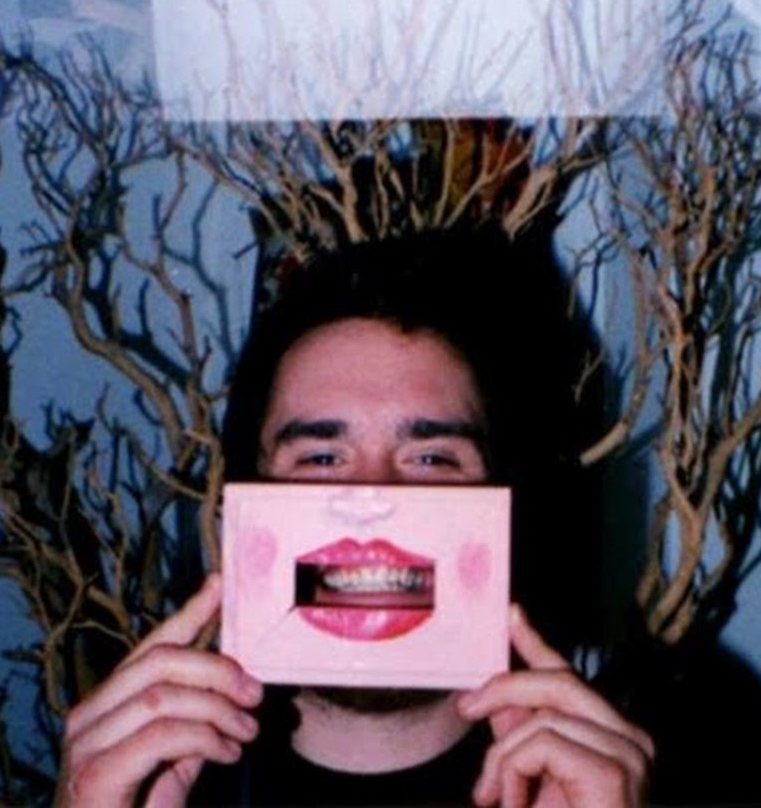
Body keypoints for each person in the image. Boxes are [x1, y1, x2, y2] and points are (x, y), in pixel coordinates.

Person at [56, 226, 652, 806]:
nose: (371, 501)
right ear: (235, 512)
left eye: (431, 458)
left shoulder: (613, 786)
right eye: (320, 457)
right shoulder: (134, 790)